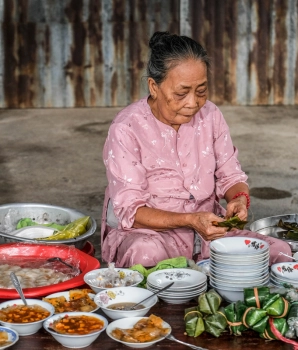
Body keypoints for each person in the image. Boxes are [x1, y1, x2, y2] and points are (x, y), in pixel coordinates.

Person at [101, 31, 292, 268]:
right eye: (181, 93)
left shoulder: (210, 115)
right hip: (150, 235)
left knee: (280, 254)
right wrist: (191, 220)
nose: (193, 103)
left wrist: (239, 201)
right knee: (146, 255)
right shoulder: (126, 128)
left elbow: (231, 176)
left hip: (208, 234)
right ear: (153, 86)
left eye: (201, 91)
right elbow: (131, 211)